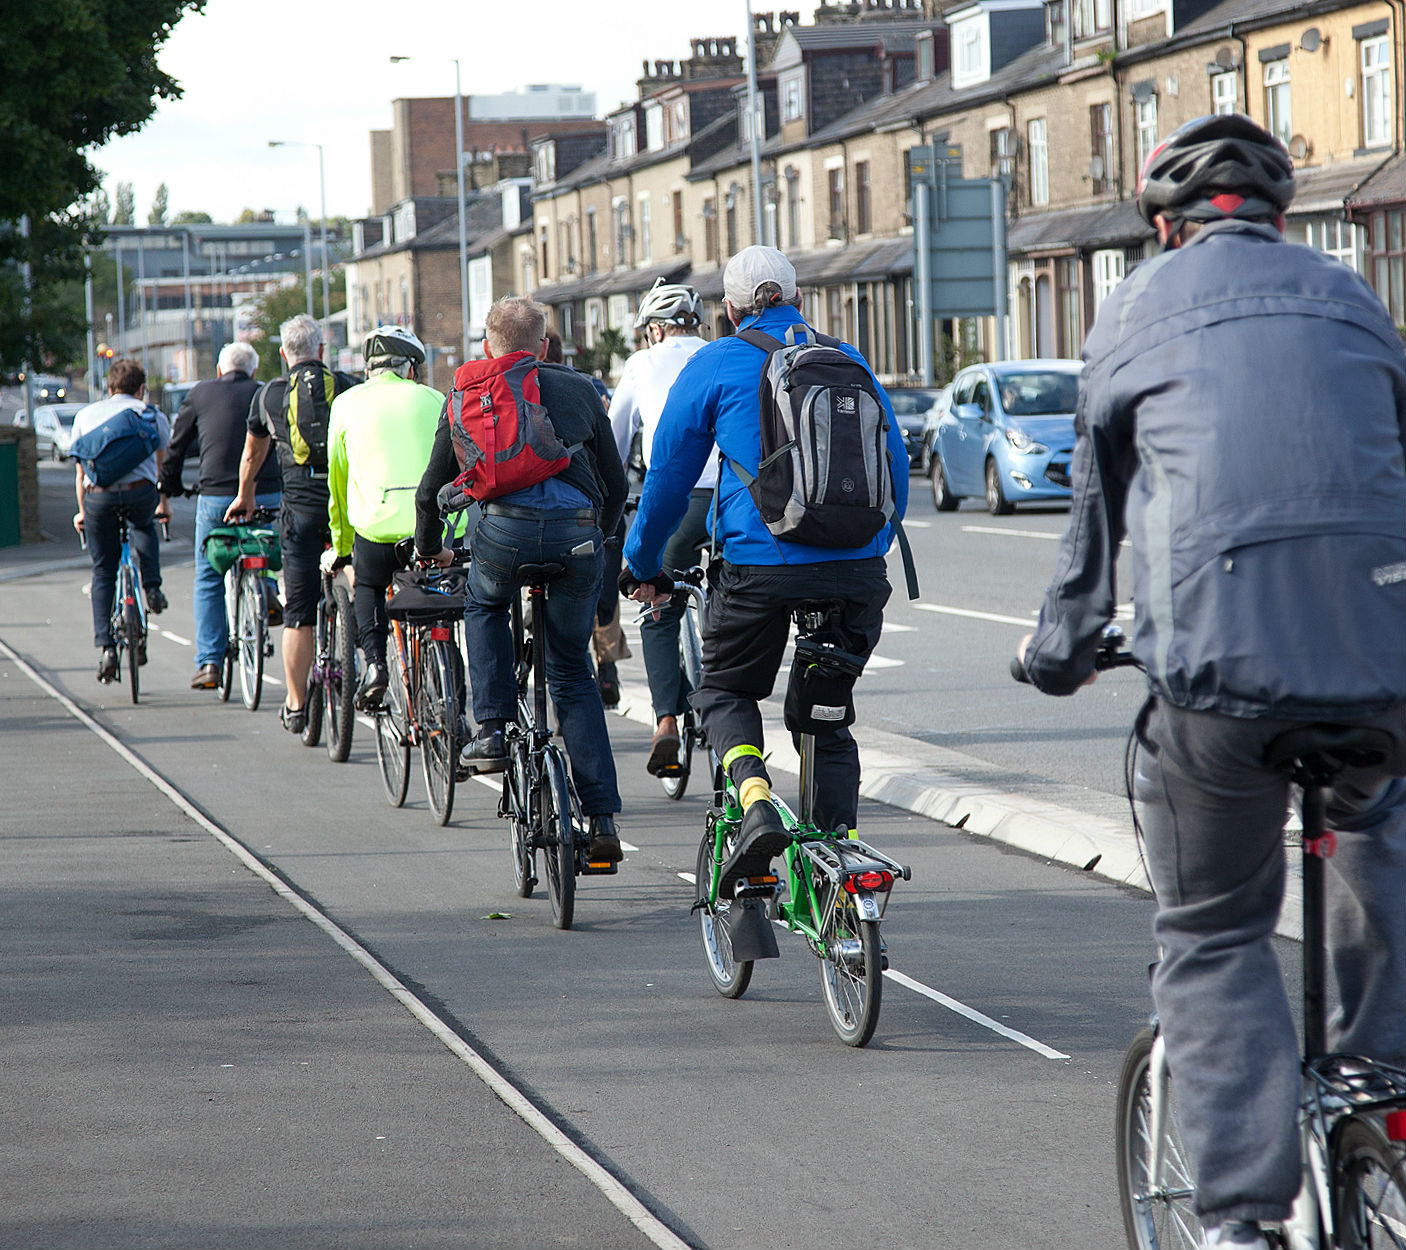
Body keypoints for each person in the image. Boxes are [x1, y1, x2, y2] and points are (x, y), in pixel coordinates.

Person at [1016, 115, 1406, 1250]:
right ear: (1284, 219)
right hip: (1378, 655)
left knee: (1210, 928)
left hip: (1219, 677)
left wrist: (1058, 647)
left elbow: (1092, 516)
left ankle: (1237, 1214)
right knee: (1377, 821)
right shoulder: (1352, 300)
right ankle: (1378, 1078)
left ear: (1160, 225)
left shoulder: (1135, 307)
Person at [622, 245, 909, 889]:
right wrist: (870, 549)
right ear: (798, 297)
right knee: (828, 712)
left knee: (726, 690)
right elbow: (896, 461)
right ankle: (840, 869)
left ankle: (754, 802)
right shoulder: (849, 360)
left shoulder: (717, 362)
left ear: (729, 309)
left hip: (759, 568)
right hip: (857, 569)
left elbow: (667, 477)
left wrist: (640, 561)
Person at [414, 297, 629, 864]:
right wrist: (600, 538)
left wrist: (429, 548)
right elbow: (616, 484)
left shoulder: (465, 394)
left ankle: (491, 729)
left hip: (502, 539)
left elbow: (429, 490)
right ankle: (602, 818)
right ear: (542, 347)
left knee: (483, 605)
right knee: (570, 671)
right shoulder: (580, 389)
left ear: (488, 346)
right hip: (578, 541)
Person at [225, 314, 358, 733]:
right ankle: (367, 659)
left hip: (299, 511)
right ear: (322, 351)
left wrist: (245, 496)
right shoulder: (350, 387)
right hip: (347, 509)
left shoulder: (269, 395)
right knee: (359, 583)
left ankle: (297, 705)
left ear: (284, 354)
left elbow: (252, 455)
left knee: (299, 613)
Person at [608, 278, 712, 775]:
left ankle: (667, 719)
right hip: (737, 501)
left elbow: (614, 438)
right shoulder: (721, 354)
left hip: (674, 499)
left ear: (654, 330)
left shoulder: (642, 364)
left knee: (657, 598)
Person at [324, 326, 443, 709]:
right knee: (442, 606)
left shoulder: (345, 404)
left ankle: (375, 664)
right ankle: (449, 689)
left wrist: (342, 549)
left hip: (376, 532)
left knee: (370, 586)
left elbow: (337, 485)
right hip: (432, 531)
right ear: (410, 368)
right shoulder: (437, 398)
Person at [160, 342, 282, 690]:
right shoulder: (266, 392)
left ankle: (211, 662)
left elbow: (177, 446)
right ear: (254, 371)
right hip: (266, 491)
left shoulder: (200, 393)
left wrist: (169, 486)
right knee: (265, 548)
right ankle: (267, 589)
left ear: (219, 370)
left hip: (215, 496)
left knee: (209, 575)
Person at [70, 358, 172, 681]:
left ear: (109, 388)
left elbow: (80, 472)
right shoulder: (151, 415)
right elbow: (162, 464)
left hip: (98, 497)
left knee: (103, 571)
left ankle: (107, 648)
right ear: (141, 389)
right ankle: (152, 589)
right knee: (144, 526)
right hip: (141, 493)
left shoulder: (86, 416)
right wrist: (164, 504)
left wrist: (83, 512)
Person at [545, 326, 629, 705]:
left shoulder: (519, 390)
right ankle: (607, 664)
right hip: (594, 512)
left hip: (540, 517)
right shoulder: (590, 388)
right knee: (601, 587)